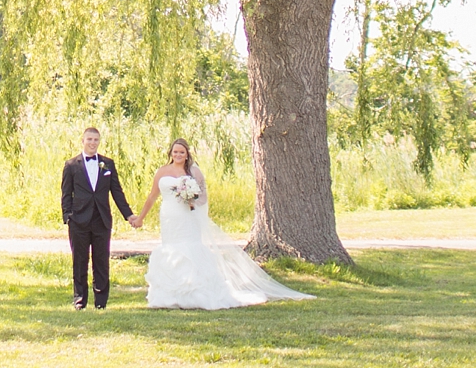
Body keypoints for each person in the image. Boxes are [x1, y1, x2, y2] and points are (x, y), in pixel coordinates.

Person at [130, 137, 312, 310]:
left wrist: (191, 200)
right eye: (175, 152)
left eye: (182, 152)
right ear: (171, 153)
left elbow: (202, 197)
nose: (178, 155)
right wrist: (140, 218)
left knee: (190, 248)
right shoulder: (162, 171)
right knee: (171, 248)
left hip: (187, 216)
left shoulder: (193, 172)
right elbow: (152, 196)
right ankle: (168, 295)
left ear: (187, 154)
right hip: (169, 216)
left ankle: (196, 294)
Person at [59, 126, 133, 309]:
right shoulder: (71, 165)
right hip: (79, 220)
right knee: (80, 260)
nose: (92, 143)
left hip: (101, 219)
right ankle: (79, 300)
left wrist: (129, 215)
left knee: (101, 260)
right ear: (82, 141)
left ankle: (101, 302)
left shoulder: (107, 164)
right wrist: (68, 216)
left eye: (95, 140)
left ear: (99, 142)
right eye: (89, 139)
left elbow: (117, 192)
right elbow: (66, 193)